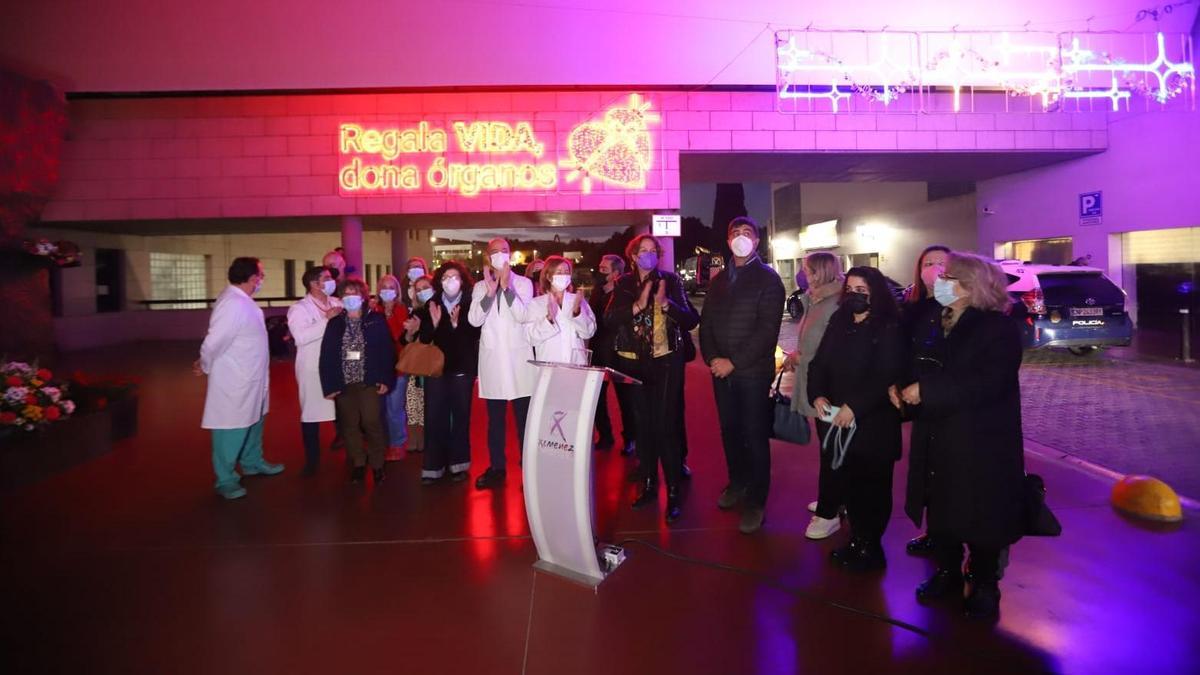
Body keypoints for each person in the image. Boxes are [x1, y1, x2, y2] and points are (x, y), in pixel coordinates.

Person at [899, 252, 1026, 620]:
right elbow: (919, 365)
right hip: (938, 434)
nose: (940, 279)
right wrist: (905, 391)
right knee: (942, 508)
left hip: (980, 439)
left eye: (949, 276)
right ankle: (948, 572)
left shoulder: (997, 329)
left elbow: (988, 382)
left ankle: (985, 581)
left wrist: (927, 391)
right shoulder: (937, 320)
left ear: (971, 287)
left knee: (982, 513)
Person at [807, 267, 904, 570]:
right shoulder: (839, 321)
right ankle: (857, 540)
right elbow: (819, 362)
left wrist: (855, 406)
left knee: (872, 488)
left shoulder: (889, 326)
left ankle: (870, 546)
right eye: (850, 288)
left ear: (876, 292)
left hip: (873, 424)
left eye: (862, 289)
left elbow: (888, 373)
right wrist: (817, 394)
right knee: (848, 482)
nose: (854, 295)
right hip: (838, 422)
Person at [699, 217, 786, 534]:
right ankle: (737, 482)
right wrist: (711, 358)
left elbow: (767, 331)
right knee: (729, 431)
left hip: (751, 373)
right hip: (720, 372)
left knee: (754, 435)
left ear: (757, 241)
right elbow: (705, 324)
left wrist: (733, 361)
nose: (740, 237)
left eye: (746, 233)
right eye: (734, 232)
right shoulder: (719, 280)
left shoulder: (768, 280)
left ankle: (756, 500)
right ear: (727, 239)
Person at [606, 233, 699, 523]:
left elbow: (691, 319)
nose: (647, 255)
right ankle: (647, 483)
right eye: (642, 251)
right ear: (633, 256)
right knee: (643, 426)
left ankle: (672, 490)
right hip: (634, 363)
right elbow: (609, 320)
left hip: (667, 361)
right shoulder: (623, 284)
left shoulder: (670, 281)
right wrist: (637, 304)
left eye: (652, 251)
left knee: (667, 424)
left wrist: (667, 303)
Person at [194, 257, 283, 500]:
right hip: (235, 380)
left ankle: (253, 462)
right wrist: (205, 364)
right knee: (231, 428)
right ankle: (225, 478)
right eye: (261, 274)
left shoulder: (244, 302)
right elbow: (214, 341)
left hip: (252, 378)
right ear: (253, 278)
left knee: (254, 421)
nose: (262, 279)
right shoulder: (232, 303)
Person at [781, 252, 846, 540]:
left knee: (832, 448)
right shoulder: (816, 299)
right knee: (828, 446)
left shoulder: (835, 304)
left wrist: (800, 356)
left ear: (821, 272)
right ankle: (833, 498)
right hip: (817, 387)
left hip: (830, 393)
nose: (803, 274)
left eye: (807, 269)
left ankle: (829, 512)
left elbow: (826, 350)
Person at [468, 238, 536, 489]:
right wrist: (489, 293)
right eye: (494, 252)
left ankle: (528, 466)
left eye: (503, 251)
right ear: (487, 257)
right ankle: (497, 467)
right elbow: (474, 320)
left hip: (518, 360)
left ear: (511, 255)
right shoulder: (479, 287)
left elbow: (523, 315)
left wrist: (507, 288)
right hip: (493, 360)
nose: (499, 256)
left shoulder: (524, 284)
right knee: (495, 420)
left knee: (523, 418)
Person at [896, 244, 951, 556]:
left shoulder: (958, 309)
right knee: (925, 469)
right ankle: (933, 531)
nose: (933, 269)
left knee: (947, 471)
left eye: (941, 263)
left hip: (946, 402)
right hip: (920, 404)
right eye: (928, 263)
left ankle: (948, 538)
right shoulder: (914, 307)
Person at [407, 261, 481, 484]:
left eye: (455, 277)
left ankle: (459, 464)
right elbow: (427, 338)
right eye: (446, 277)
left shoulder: (470, 303)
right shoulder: (433, 303)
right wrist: (437, 323)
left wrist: (458, 326)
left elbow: (474, 335)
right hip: (436, 369)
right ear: (439, 281)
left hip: (462, 369)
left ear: (462, 280)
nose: (451, 281)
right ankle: (432, 467)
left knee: (460, 416)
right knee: (434, 417)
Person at [318, 277, 396, 485]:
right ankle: (359, 463)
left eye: (354, 293)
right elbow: (326, 355)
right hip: (344, 382)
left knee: (371, 421)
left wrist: (385, 379)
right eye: (346, 294)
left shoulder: (375, 319)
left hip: (369, 380)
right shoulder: (335, 323)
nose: (350, 298)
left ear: (362, 296)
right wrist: (329, 385)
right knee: (349, 425)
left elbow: (387, 351)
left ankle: (378, 464)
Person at [287, 265, 342, 476]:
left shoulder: (337, 302)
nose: (331, 282)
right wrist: (326, 320)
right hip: (312, 367)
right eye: (326, 278)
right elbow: (300, 337)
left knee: (342, 410)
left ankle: (349, 449)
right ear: (313, 283)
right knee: (311, 414)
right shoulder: (299, 309)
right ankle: (312, 460)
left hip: (337, 365)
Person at [589, 254, 636, 454]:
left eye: (604, 269)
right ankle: (605, 435)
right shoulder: (596, 293)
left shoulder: (623, 294)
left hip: (619, 351)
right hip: (598, 351)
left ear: (616, 273)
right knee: (596, 399)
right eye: (599, 267)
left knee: (626, 399)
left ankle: (631, 439)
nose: (600, 271)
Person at [526, 256, 596, 364]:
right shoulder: (536, 304)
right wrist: (549, 319)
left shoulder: (577, 301)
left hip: (576, 366)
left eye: (566, 272)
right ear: (548, 276)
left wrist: (577, 313)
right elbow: (531, 338)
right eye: (559, 272)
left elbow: (588, 332)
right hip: (549, 366)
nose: (563, 275)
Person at [374, 273, 409, 461]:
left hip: (398, 367)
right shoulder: (372, 309)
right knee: (378, 409)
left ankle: (397, 443)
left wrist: (389, 316)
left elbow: (398, 337)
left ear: (397, 291)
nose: (387, 291)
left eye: (391, 287)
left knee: (395, 408)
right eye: (384, 287)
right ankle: (383, 443)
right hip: (378, 367)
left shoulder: (402, 309)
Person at [405, 275, 435, 453]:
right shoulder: (415, 312)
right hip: (415, 365)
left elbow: (429, 337)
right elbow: (405, 339)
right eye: (418, 289)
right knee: (412, 401)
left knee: (428, 403)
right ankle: (413, 437)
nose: (422, 292)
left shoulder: (438, 309)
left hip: (432, 364)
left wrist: (420, 330)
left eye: (426, 287)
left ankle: (426, 439)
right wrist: (410, 332)